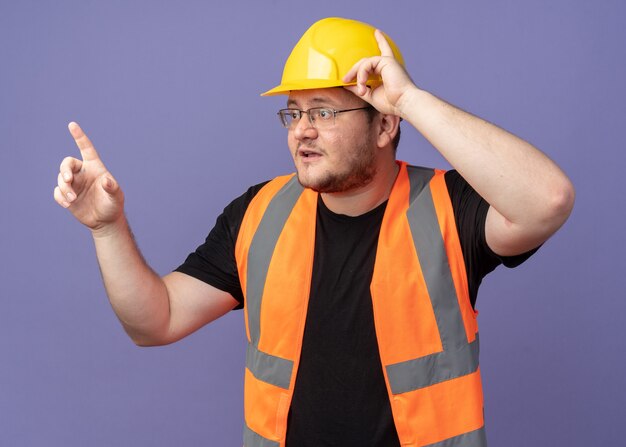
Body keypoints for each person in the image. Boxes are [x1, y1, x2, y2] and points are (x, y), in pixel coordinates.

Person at [54, 17, 574, 447]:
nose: (302, 129)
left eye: (324, 110)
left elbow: (546, 200)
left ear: (384, 125)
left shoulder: (449, 207)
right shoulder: (259, 212)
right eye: (294, 112)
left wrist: (410, 99)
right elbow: (155, 322)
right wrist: (107, 228)